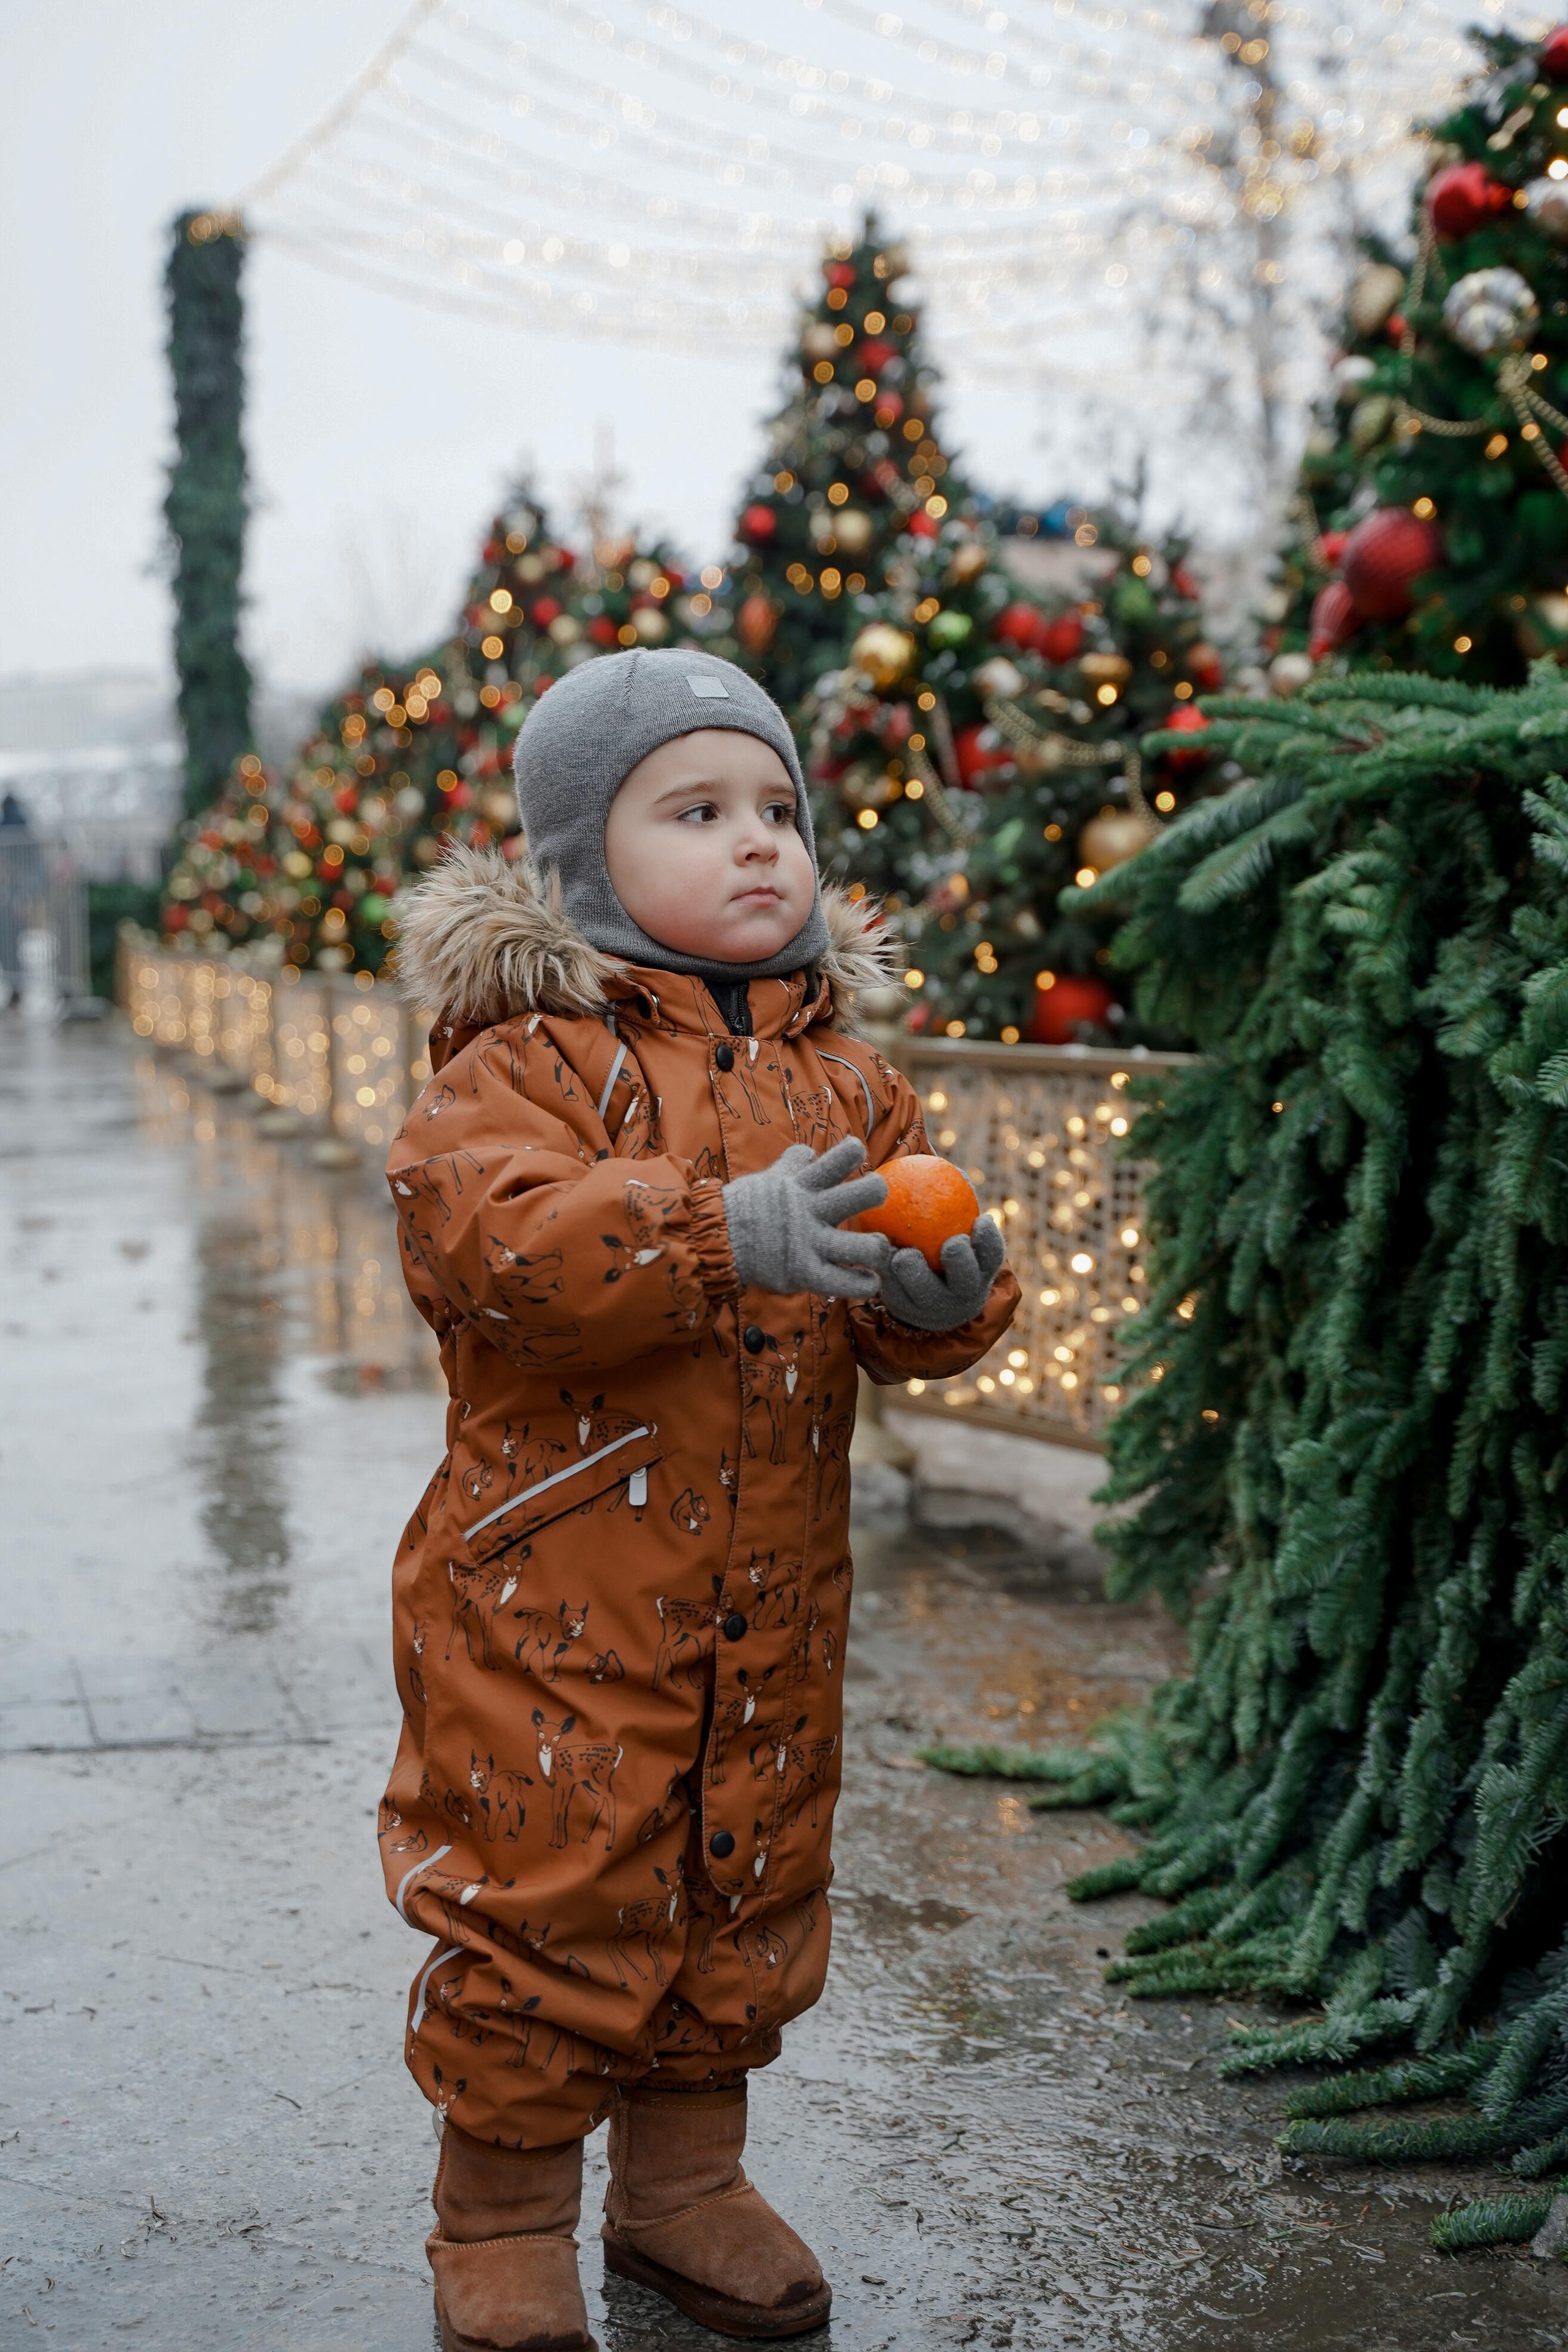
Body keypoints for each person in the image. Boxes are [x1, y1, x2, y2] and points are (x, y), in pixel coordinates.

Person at [382, 647, 1018, 2352]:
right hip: (556, 1607)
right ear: (589, 861)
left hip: (771, 1603)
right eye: (700, 811)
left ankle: (681, 2190)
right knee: (550, 1896)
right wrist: (710, 1232)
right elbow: (490, 1241)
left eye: (780, 811)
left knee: (739, 1887)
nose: (761, 846)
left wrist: (942, 1302)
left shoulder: (847, 1081)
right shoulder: (522, 1059)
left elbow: (894, 1297)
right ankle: (499, 2215)